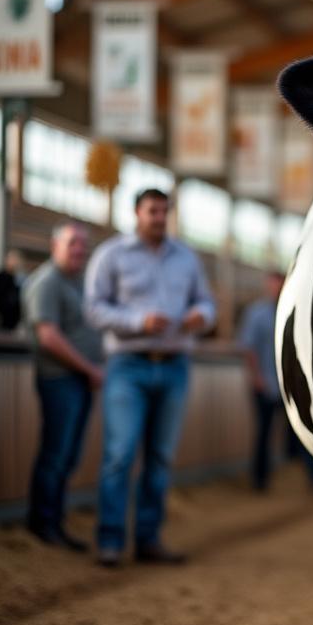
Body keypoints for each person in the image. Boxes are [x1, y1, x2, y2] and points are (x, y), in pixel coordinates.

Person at [85, 188, 215, 567]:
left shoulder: (186, 257)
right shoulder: (111, 254)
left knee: (160, 457)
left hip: (174, 364)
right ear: (136, 213)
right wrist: (137, 321)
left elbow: (206, 302)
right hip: (128, 364)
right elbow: (93, 309)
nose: (159, 217)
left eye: (163, 211)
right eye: (152, 211)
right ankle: (110, 539)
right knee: (120, 454)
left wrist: (201, 317)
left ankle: (148, 538)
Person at [23, 222, 104, 550]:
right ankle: (43, 525)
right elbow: (48, 337)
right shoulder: (47, 282)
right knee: (56, 455)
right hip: (59, 379)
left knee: (67, 456)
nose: (79, 250)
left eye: (83, 244)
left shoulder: (79, 283)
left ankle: (54, 522)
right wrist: (89, 368)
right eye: (73, 243)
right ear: (54, 245)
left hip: (79, 381)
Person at [237, 272, 313, 491]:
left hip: (291, 385)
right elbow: (248, 349)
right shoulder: (256, 314)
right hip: (265, 384)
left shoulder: (297, 310)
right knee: (264, 432)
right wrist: (257, 378)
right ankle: (259, 479)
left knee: (302, 430)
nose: (276, 288)